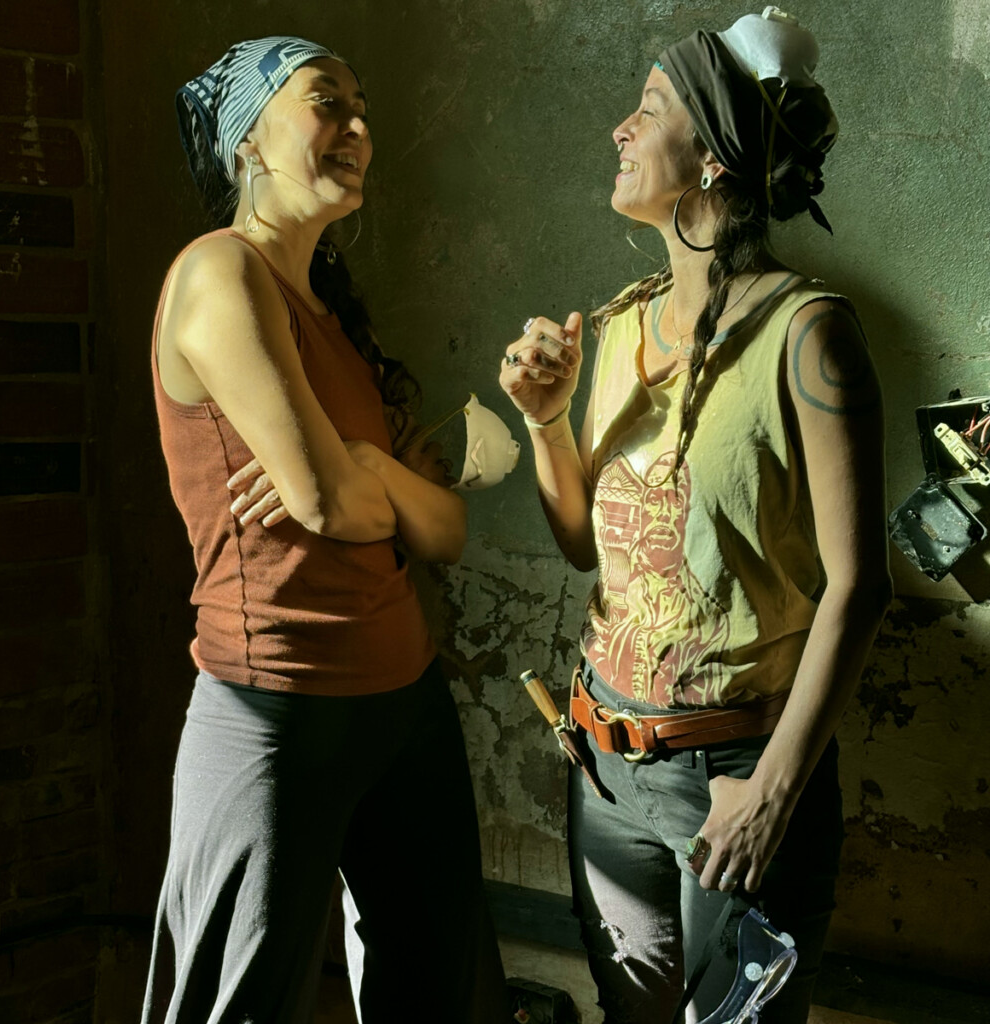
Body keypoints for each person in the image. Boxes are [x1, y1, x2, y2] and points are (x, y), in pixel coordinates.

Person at [499, 9, 891, 1023]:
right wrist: (546, 422)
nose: (619, 133)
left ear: (711, 157)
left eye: (646, 111)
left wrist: (770, 792)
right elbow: (586, 541)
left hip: (735, 774)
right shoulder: (621, 322)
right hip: (606, 768)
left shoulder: (808, 337)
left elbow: (859, 585)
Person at [143, 36, 509, 1024]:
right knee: (238, 1002)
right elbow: (323, 506)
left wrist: (370, 466)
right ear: (248, 144)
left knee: (435, 992)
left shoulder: (332, 320)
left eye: (361, 108)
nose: (356, 128)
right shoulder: (219, 274)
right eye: (324, 103)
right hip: (277, 712)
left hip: (404, 698)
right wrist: (351, 482)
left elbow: (440, 528)